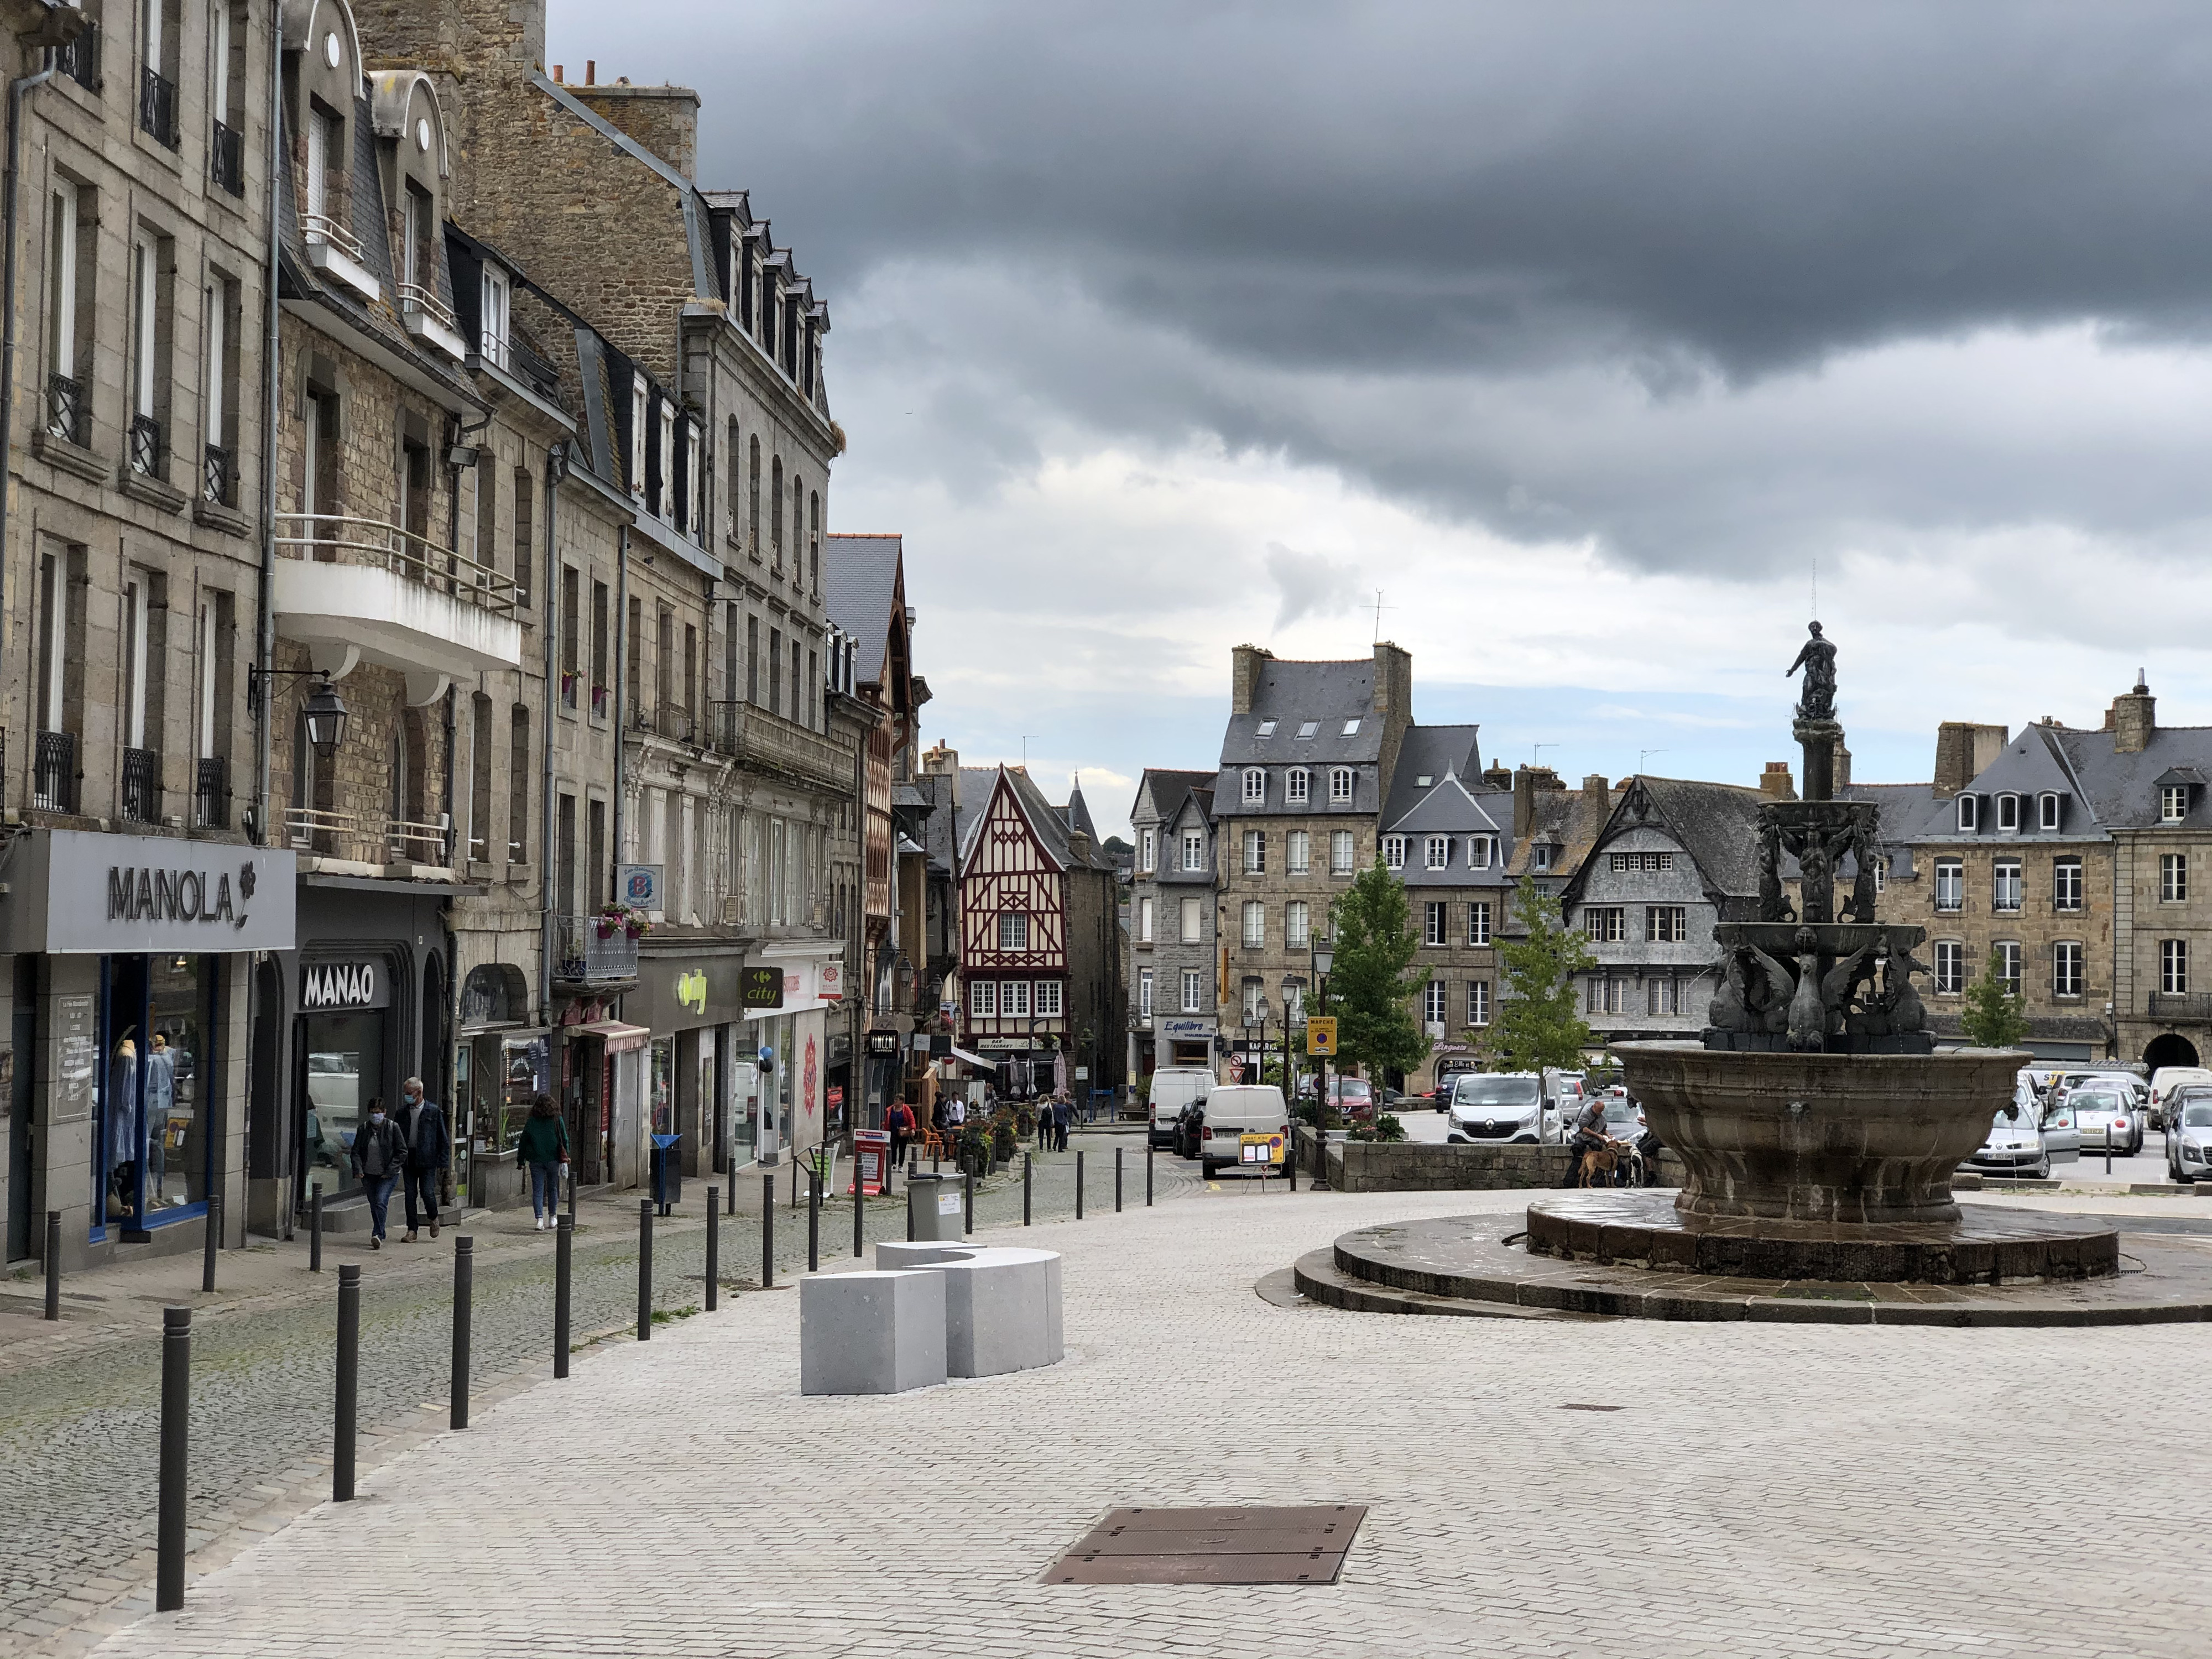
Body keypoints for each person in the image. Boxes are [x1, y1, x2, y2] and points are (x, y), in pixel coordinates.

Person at [397, 1076, 450, 1243]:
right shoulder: (402, 1113)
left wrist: (443, 1162)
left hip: (427, 1159)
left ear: (419, 1092)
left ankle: (433, 1217)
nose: (406, 1096)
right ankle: (412, 1229)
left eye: (409, 1093)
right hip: (408, 1158)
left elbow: (442, 1138)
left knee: (427, 1192)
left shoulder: (433, 1111)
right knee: (410, 1194)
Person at [351, 1097, 406, 1248]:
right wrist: (358, 1169)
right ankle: (380, 1232)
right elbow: (356, 1151)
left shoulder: (392, 1128)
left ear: (384, 1112)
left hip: (388, 1175)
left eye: (378, 1112)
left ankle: (378, 1234)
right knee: (374, 1204)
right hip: (369, 1174)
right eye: (372, 1113)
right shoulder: (363, 1129)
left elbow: (402, 1152)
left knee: (381, 1201)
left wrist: (390, 1171)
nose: (375, 1116)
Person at [515, 1091, 568, 1230]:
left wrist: (520, 1161)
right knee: (552, 1188)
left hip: (536, 1160)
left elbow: (523, 1142)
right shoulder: (557, 1119)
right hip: (553, 1159)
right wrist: (566, 1157)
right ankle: (552, 1218)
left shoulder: (532, 1121)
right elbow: (564, 1138)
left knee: (538, 1190)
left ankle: (539, 1219)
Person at [1563, 1093, 1611, 1188]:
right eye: (1599, 1110)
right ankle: (1576, 1177)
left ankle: (1596, 1177)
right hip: (1584, 1137)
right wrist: (1597, 1135)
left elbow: (1604, 1129)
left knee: (1598, 1147)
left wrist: (1609, 1137)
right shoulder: (1586, 1114)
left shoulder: (1601, 1117)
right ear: (1594, 1107)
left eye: (1602, 1111)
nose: (1600, 1112)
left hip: (1594, 1139)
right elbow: (1584, 1129)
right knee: (1578, 1148)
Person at [886, 1097, 915, 1170]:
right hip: (893, 1131)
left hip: (903, 1132)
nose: (895, 1101)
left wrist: (913, 1129)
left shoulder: (906, 1109)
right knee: (893, 1147)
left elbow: (912, 1119)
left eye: (897, 1100)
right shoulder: (891, 1109)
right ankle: (893, 1163)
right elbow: (887, 1120)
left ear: (901, 1101)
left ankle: (901, 1165)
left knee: (902, 1148)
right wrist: (886, 1130)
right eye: (894, 1100)